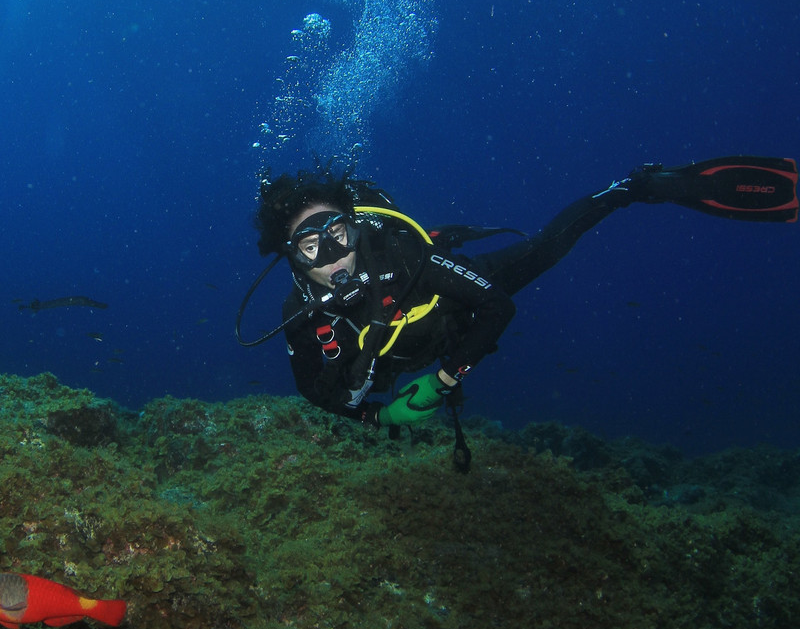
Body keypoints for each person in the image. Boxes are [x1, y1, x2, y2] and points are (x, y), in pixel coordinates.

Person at [240, 157, 797, 470]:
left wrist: (442, 380)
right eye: (311, 248)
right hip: (394, 358)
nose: (334, 256)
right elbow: (317, 392)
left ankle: (633, 186)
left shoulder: (401, 257)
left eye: (339, 234)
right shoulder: (301, 315)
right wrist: (380, 418)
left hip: (448, 310)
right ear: (289, 259)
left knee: (546, 249)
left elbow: (495, 304)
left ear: (357, 227)